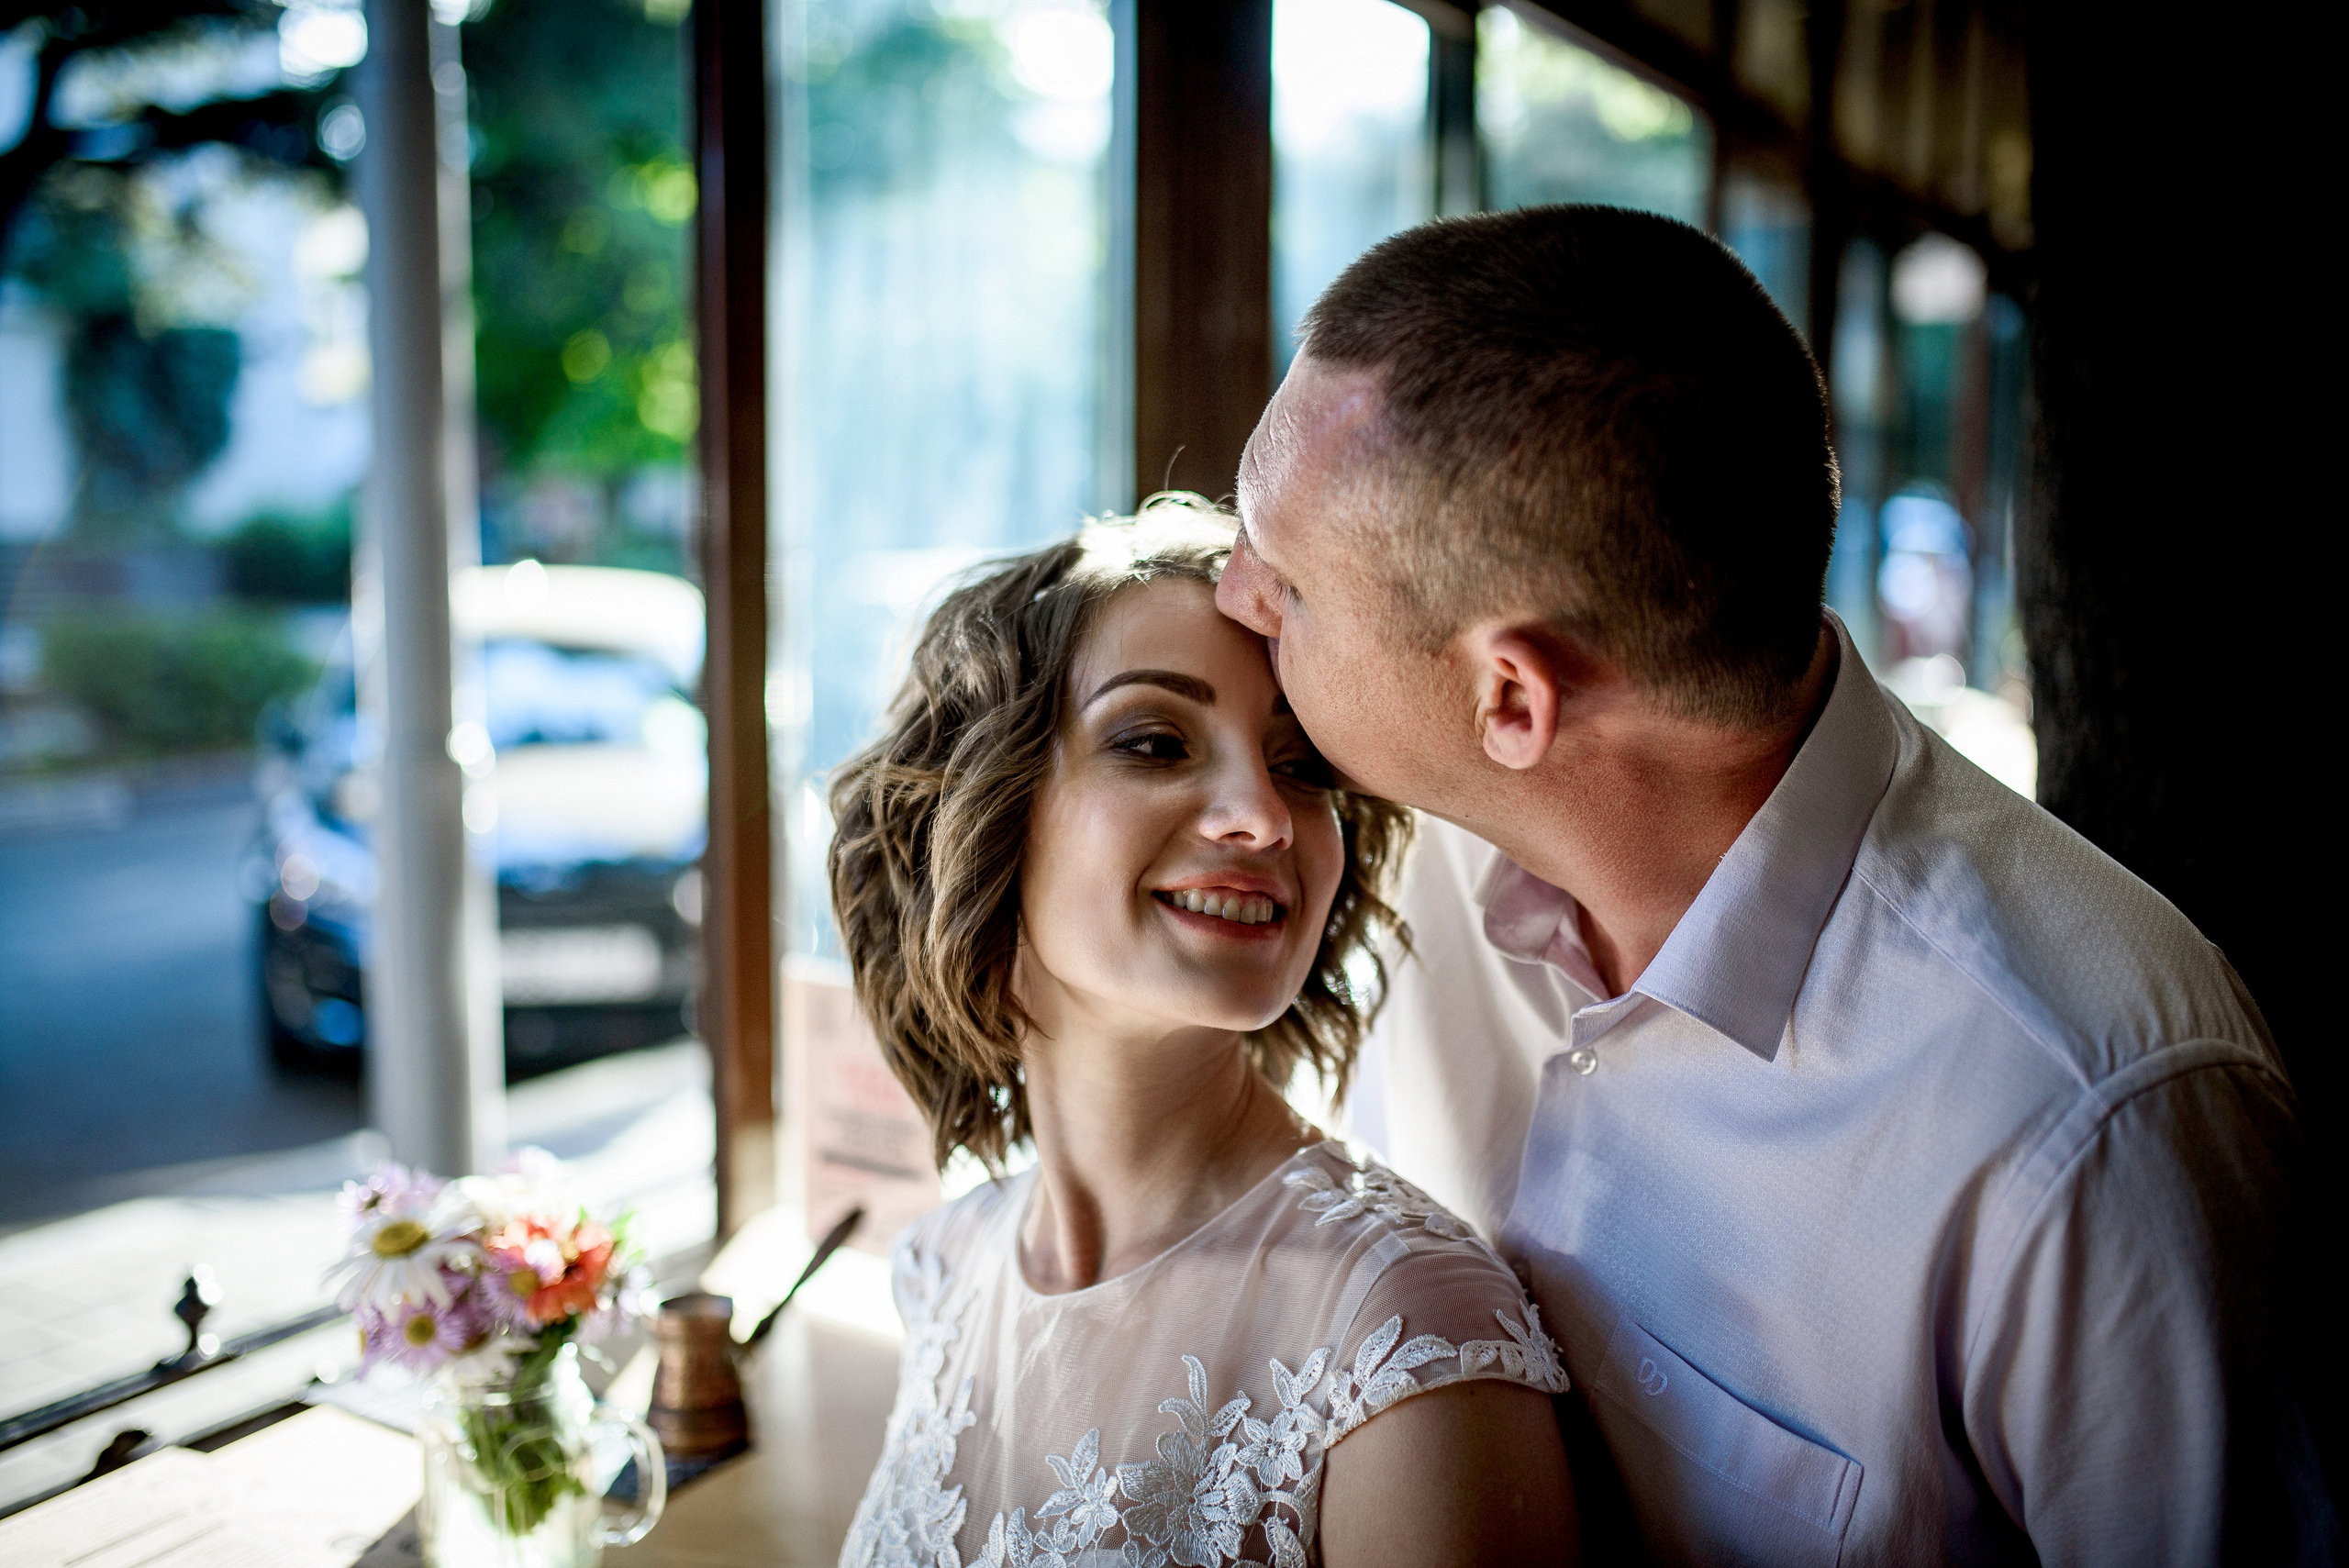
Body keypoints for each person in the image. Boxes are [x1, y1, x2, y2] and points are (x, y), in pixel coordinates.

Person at [1216, 206, 2318, 1564]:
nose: (1236, 593)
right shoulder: (1401, 843)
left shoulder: (2087, 1123)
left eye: (1290, 578)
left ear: (1512, 695)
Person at [828, 499, 1578, 1568]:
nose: (1263, 816)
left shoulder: (1399, 1332)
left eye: (1299, 763)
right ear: (977, 813)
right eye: (1153, 740)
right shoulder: (944, 1267)